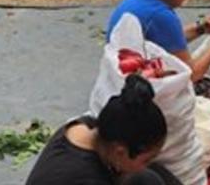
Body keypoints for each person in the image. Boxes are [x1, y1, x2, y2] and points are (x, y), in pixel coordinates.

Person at [26, 74, 178, 185]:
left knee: (150, 177)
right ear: (120, 152)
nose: (148, 163)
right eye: (146, 159)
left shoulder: (89, 128)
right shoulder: (82, 176)